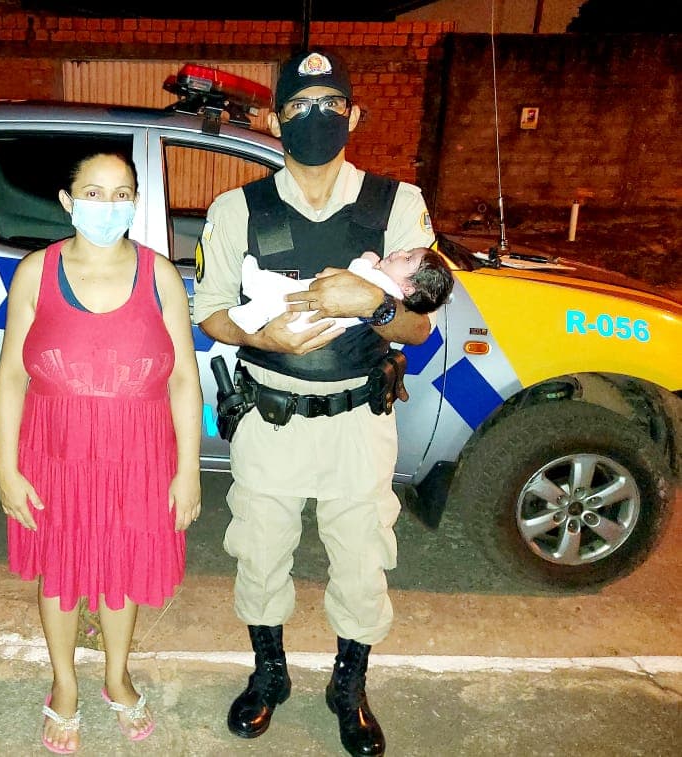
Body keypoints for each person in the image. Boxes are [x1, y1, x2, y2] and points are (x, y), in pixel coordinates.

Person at [193, 48, 440, 757]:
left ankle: (348, 684)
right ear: (275, 120)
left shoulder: (397, 205)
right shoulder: (236, 208)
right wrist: (258, 332)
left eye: (331, 104)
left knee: (361, 559)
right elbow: (210, 311)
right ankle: (269, 674)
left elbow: (419, 327)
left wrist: (369, 304)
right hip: (268, 415)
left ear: (354, 115)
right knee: (260, 550)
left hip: (359, 419)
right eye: (299, 106)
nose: (316, 117)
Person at [0, 152, 202, 754]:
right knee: (59, 570)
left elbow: (184, 380)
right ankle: (64, 684)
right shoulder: (36, 272)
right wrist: (6, 466)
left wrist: (188, 469)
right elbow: (11, 376)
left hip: (140, 453)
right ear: (67, 201)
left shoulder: (160, 275)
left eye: (121, 193)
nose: (108, 206)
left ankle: (116, 676)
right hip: (54, 451)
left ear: (136, 201)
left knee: (123, 568)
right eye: (93, 192)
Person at [229, 247, 452, 334]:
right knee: (284, 291)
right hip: (311, 321)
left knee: (285, 295)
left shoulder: (384, 285)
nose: (400, 251)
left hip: (308, 315)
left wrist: (367, 258)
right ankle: (254, 288)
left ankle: (253, 308)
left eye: (408, 258)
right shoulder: (389, 289)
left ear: (407, 288)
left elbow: (356, 273)